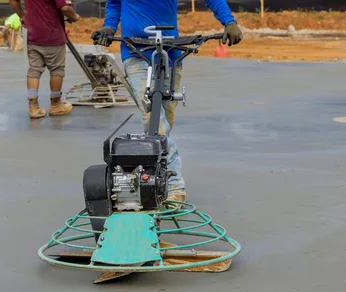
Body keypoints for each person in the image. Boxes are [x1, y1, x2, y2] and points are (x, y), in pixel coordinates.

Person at [91, 0, 242, 202]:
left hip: (170, 52)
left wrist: (229, 22)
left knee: (164, 120)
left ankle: (155, 172)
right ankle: (173, 185)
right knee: (153, 115)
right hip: (136, 52)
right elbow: (115, 3)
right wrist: (110, 26)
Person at [9, 0, 80, 119]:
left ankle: (33, 106)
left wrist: (22, 15)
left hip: (33, 34)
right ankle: (56, 104)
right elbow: (65, 9)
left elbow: (13, 1)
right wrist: (75, 17)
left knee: (34, 70)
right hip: (52, 34)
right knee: (57, 70)